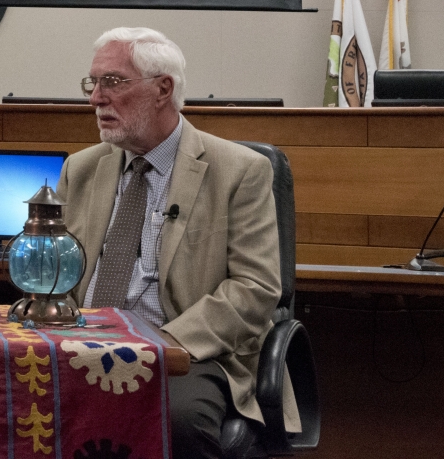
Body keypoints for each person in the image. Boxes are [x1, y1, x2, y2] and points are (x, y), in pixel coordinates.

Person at [57, 27, 296, 459]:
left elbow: (256, 288)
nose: (95, 98)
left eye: (112, 82)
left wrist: (164, 343)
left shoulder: (241, 170)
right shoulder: (82, 168)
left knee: (176, 419)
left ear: (162, 89)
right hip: (83, 344)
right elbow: (60, 271)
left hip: (190, 353)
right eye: (92, 84)